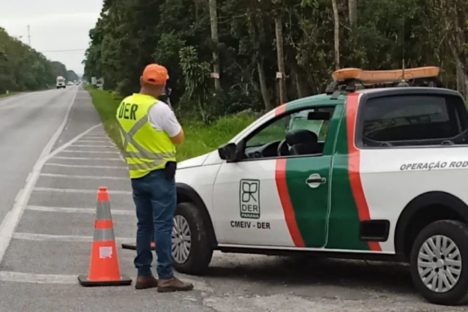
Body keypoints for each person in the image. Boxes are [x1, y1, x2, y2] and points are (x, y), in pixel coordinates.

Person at [115, 64, 193, 292]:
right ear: (163, 85)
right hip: (159, 174)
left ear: (141, 80)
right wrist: (168, 104)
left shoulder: (125, 105)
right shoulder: (160, 110)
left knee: (144, 225)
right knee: (163, 225)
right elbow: (178, 138)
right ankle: (166, 276)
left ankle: (143, 273)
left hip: (136, 174)